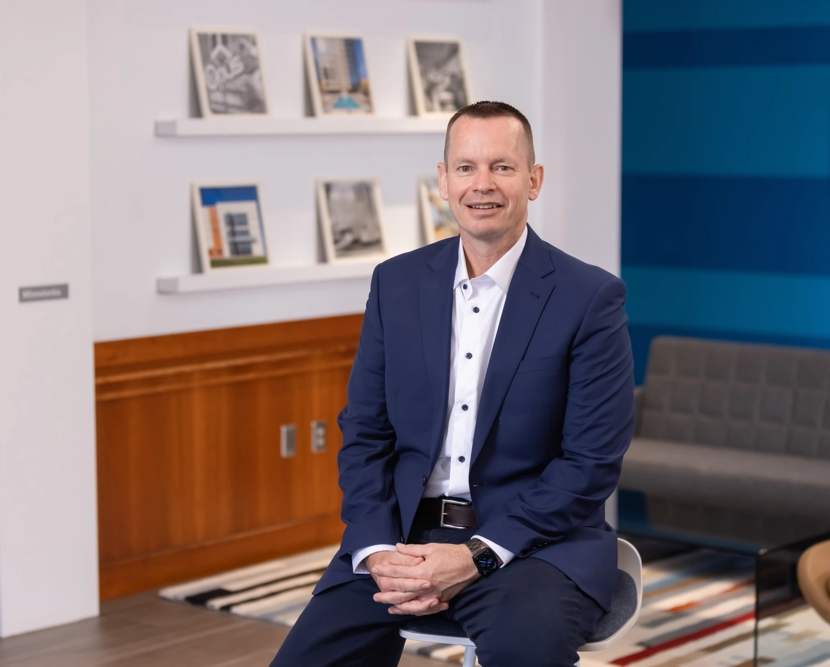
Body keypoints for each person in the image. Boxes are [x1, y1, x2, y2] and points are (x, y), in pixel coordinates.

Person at [271, 101, 634, 666]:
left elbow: (589, 463)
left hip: (534, 546)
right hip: (403, 538)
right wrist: (375, 549)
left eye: (502, 167)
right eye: (466, 167)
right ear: (443, 180)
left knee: (524, 651)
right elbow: (365, 432)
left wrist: (477, 556)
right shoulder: (395, 283)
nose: (481, 184)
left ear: (533, 181)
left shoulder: (589, 297)